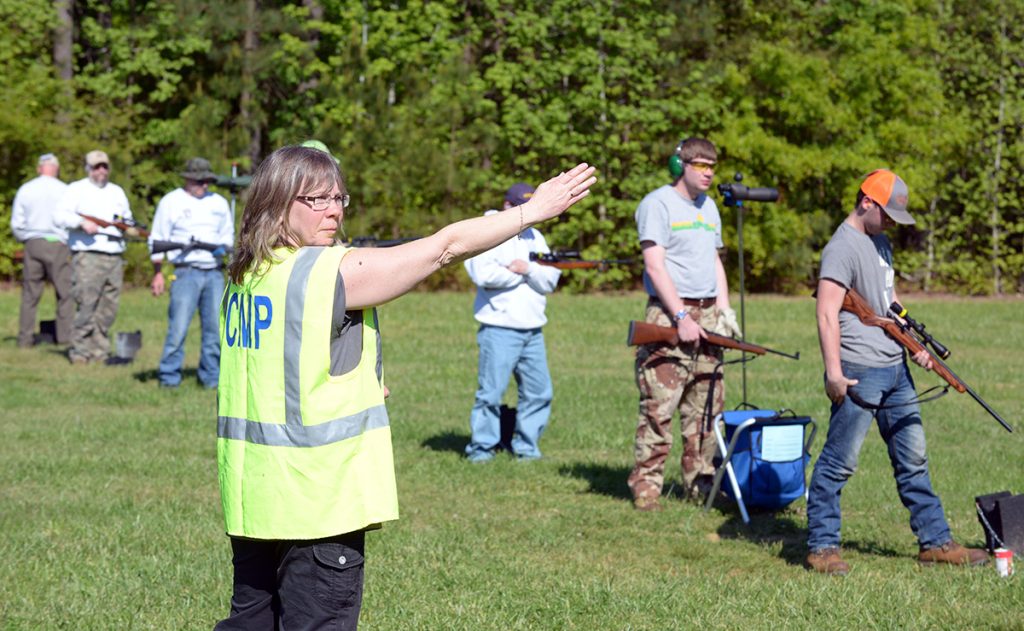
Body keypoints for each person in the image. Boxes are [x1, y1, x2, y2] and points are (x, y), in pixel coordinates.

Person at [214, 144, 595, 630]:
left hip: (254, 499)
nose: (333, 210)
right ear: (277, 202)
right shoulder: (325, 271)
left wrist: (356, 382)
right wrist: (530, 212)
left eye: (339, 198)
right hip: (317, 500)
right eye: (316, 199)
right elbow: (444, 248)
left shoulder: (246, 274)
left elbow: (279, 366)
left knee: (250, 623)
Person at [806, 169, 988, 575]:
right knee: (839, 462)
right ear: (866, 201)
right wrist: (833, 373)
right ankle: (822, 547)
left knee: (914, 458)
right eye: (886, 214)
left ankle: (935, 542)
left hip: (895, 367)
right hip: (858, 369)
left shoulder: (881, 242)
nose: (890, 223)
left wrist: (918, 348)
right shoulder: (841, 247)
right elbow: (826, 313)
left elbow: (890, 303)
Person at [627, 137, 740, 512]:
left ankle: (700, 484)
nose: (708, 173)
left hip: (708, 313)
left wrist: (724, 311)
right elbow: (654, 266)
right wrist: (680, 317)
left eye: (713, 166)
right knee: (659, 408)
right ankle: (647, 488)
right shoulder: (657, 204)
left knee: (707, 408)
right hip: (669, 313)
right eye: (700, 165)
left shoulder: (709, 209)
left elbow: (714, 260)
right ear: (681, 166)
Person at [462, 183, 562, 463]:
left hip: (533, 330)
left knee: (539, 392)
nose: (527, 212)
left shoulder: (535, 236)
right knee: (490, 394)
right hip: (499, 329)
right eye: (521, 206)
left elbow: (552, 278)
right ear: (507, 206)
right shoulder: (486, 230)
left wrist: (526, 268)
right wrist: (526, 274)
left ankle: (526, 448)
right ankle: (481, 450)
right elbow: (483, 275)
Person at [148, 157, 234, 388]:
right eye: (198, 180)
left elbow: (227, 236)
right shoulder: (171, 201)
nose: (203, 185)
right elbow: (157, 238)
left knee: (215, 331)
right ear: (187, 179)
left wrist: (221, 249)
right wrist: (157, 273)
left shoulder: (219, 203)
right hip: (185, 272)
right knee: (177, 329)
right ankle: (169, 378)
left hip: (214, 272)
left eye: (206, 180)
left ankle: (212, 378)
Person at [53, 150, 134, 364]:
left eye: (104, 166)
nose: (101, 171)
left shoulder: (116, 192)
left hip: (114, 254)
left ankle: (100, 349)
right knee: (86, 302)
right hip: (88, 255)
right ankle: (80, 350)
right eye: (96, 167)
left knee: (109, 305)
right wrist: (81, 223)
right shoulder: (76, 190)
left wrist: (128, 227)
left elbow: (126, 219)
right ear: (88, 168)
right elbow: (59, 216)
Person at [10, 153, 72, 347]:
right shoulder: (66, 190)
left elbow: (17, 223)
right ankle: (65, 337)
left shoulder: (26, 189)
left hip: (33, 242)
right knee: (65, 293)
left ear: (39, 168)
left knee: (30, 293)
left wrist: (26, 238)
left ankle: (25, 339)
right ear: (56, 169)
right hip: (59, 244)